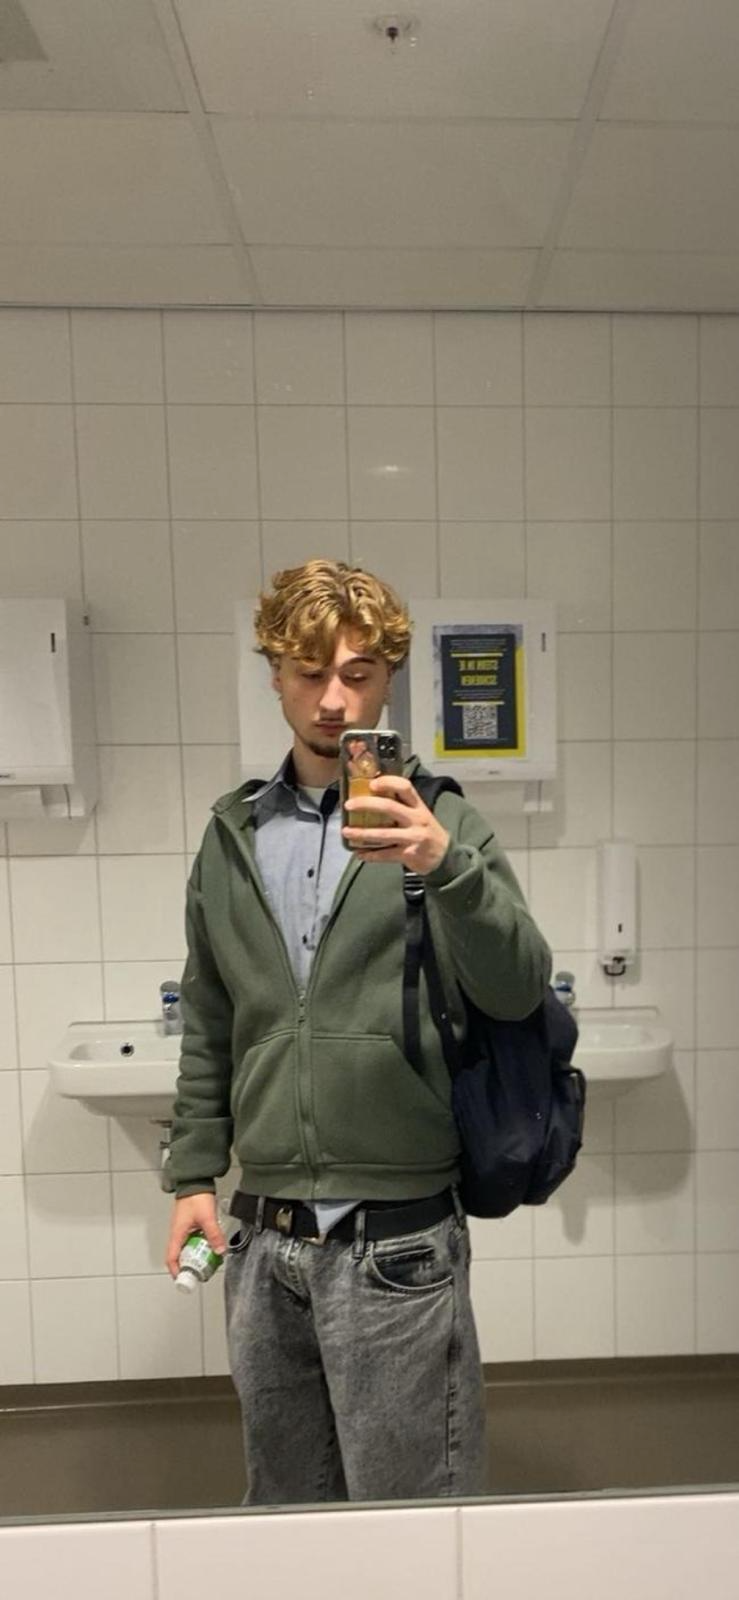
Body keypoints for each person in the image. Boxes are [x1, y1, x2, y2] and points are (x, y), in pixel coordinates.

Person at [165, 558, 551, 1505]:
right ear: (274, 674)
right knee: (286, 1513)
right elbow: (210, 1016)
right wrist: (192, 1178)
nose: (334, 700)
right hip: (263, 1243)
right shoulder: (231, 835)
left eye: (359, 673)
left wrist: (444, 866)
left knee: (414, 1516)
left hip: (398, 1242)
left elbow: (516, 988)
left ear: (388, 679)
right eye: (310, 673)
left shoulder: (443, 819)